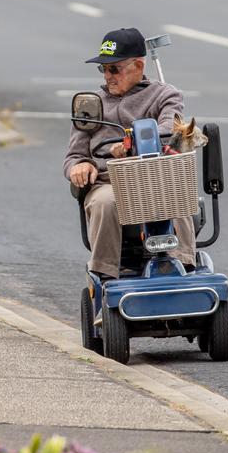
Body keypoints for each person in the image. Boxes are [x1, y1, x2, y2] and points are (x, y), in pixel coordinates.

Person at [63, 27, 197, 282]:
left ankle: (183, 269)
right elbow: (73, 156)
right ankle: (105, 277)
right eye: (103, 69)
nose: (108, 76)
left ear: (137, 65)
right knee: (105, 202)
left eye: (114, 68)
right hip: (108, 181)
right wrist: (79, 166)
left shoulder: (165, 95)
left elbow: (171, 128)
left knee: (175, 197)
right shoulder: (91, 104)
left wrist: (132, 142)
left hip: (155, 178)